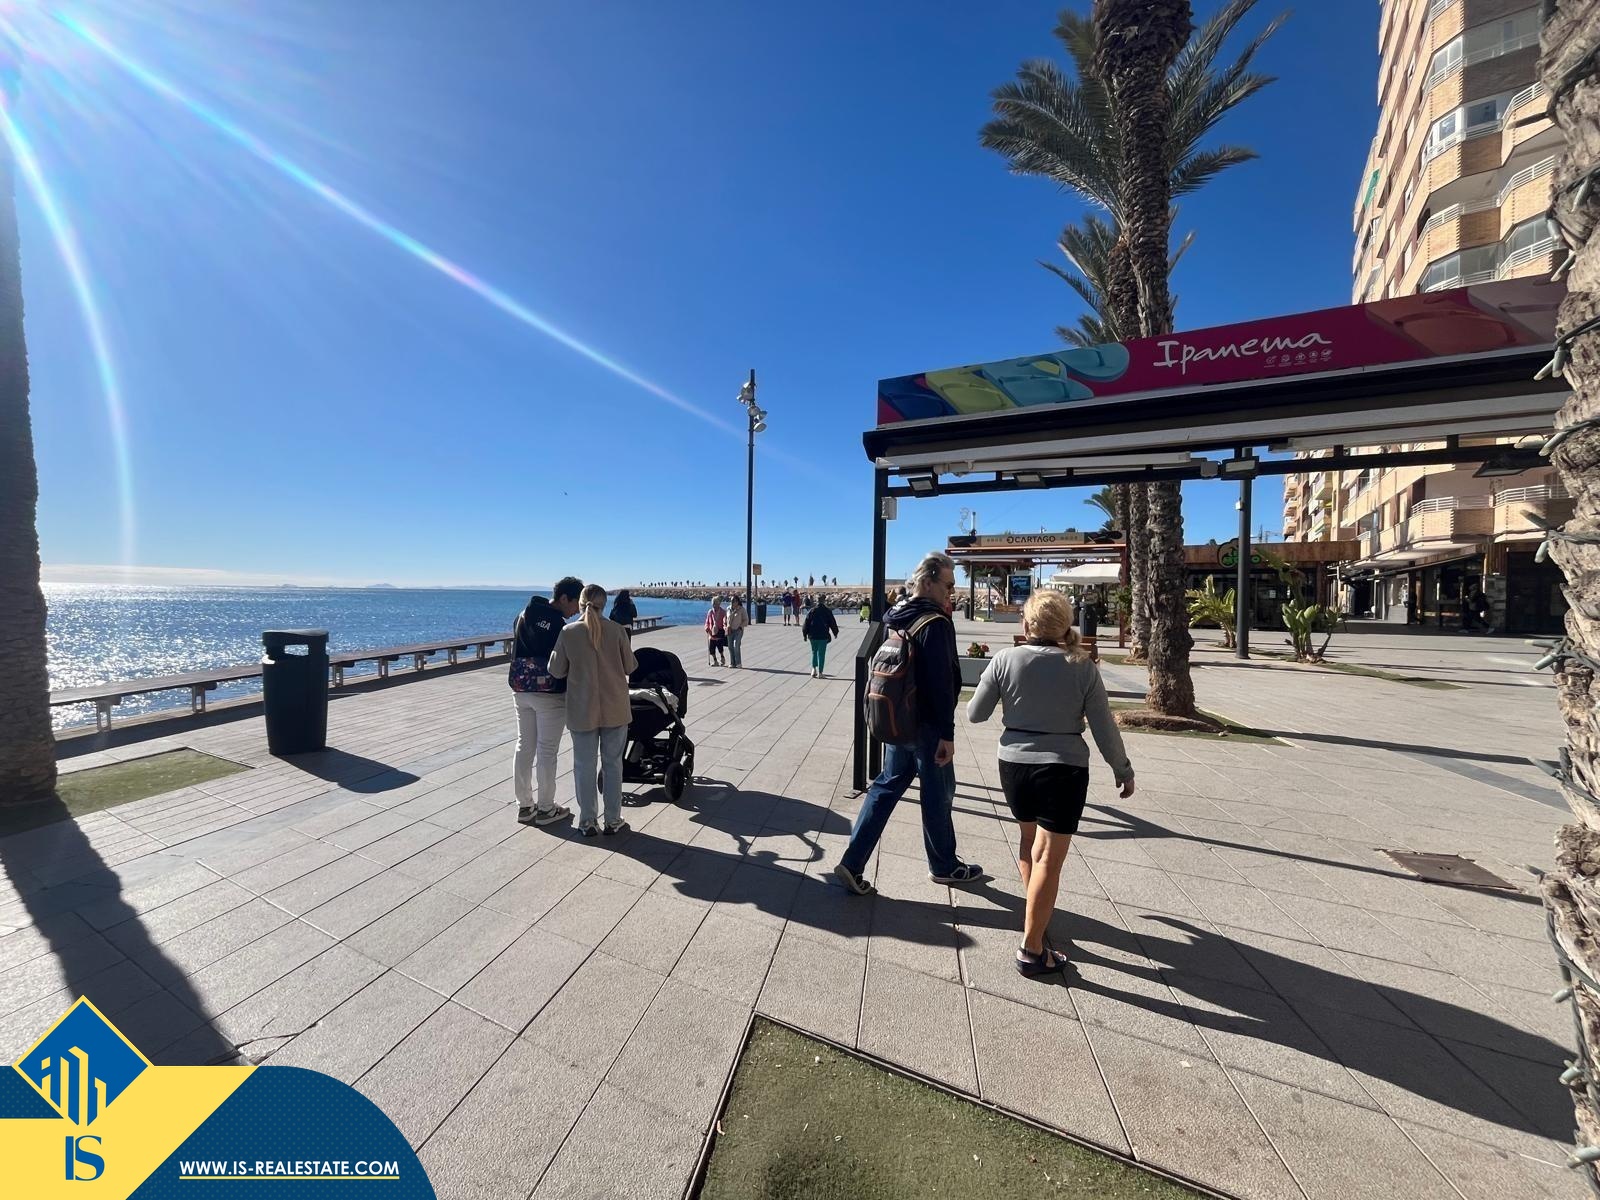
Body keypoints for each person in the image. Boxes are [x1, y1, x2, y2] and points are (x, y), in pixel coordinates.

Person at [966, 590, 1134, 976]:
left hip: (1014, 765)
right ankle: (1031, 949)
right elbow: (1104, 727)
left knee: (1029, 843)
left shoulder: (1005, 659)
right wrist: (1122, 769)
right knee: (1048, 858)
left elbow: (975, 713)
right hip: (1063, 769)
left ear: (1027, 624)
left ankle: (1036, 923)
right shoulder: (1081, 664)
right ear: (1064, 625)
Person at [834, 552, 982, 893]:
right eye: (948, 585)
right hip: (927, 725)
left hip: (898, 719)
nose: (952, 592)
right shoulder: (934, 623)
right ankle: (944, 866)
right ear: (927, 582)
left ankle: (852, 862)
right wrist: (947, 734)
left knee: (885, 787)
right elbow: (941, 683)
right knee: (938, 795)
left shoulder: (897, 616)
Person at [548, 584, 637, 837]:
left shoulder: (568, 632)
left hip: (582, 709)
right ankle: (613, 819)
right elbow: (630, 666)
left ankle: (587, 821)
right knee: (613, 765)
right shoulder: (617, 630)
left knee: (584, 766)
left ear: (580, 604)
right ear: (604, 604)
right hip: (615, 708)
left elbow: (556, 670)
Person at [509, 576, 583, 826]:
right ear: (564, 598)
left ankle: (524, 806)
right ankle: (546, 808)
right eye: (576, 604)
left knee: (524, 746)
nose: (576, 611)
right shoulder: (558, 625)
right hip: (549, 693)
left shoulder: (523, 615)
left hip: (520, 689)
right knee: (547, 751)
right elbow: (564, 660)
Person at [802, 594, 839, 677]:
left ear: (817, 601)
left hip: (813, 635)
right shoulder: (827, 611)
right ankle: (820, 672)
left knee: (814, 652)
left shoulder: (812, 611)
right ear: (824, 601)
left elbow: (806, 623)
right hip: (823, 635)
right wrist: (835, 632)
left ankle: (813, 669)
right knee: (821, 654)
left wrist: (805, 634)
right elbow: (832, 622)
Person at [704, 596, 729, 666]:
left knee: (720, 647)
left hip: (720, 632)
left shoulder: (723, 612)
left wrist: (725, 627)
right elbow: (707, 622)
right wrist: (706, 628)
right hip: (711, 632)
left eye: (715, 603)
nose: (714, 605)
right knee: (711, 649)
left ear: (719, 604)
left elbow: (725, 621)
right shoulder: (710, 612)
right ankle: (715, 661)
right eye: (713, 603)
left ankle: (722, 657)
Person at [727, 596, 750, 667]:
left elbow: (746, 620)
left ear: (737, 602)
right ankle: (732, 663)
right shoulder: (728, 608)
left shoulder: (741, 609)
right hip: (730, 630)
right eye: (731, 601)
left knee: (736, 646)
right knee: (730, 647)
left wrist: (740, 627)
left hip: (738, 630)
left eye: (734, 601)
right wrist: (726, 626)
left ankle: (738, 663)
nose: (732, 602)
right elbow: (726, 619)